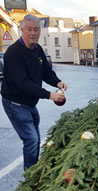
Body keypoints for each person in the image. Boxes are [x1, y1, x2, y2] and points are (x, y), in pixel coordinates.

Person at [1, 14, 67, 170]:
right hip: (15, 103)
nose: (33, 33)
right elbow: (23, 84)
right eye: (29, 29)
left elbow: (46, 72)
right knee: (31, 139)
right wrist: (49, 95)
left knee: (35, 139)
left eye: (36, 30)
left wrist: (57, 82)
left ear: (40, 32)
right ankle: (30, 177)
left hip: (30, 103)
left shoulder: (38, 50)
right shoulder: (13, 53)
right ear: (22, 30)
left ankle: (34, 170)